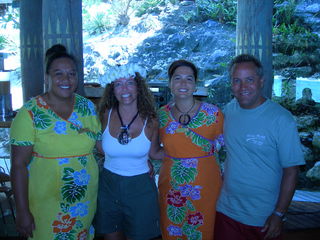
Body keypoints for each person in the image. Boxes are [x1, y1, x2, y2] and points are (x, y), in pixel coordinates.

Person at [10, 44, 101, 239]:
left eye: (71, 73)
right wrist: (22, 211)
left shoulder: (87, 107)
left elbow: (101, 145)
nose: (66, 79)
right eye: (58, 73)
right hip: (45, 203)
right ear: (47, 77)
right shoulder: (30, 113)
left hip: (83, 202)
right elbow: (18, 165)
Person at [214, 54, 305, 240]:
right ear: (231, 84)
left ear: (261, 81)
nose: (243, 87)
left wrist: (279, 214)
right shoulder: (228, 111)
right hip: (225, 211)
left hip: (263, 217)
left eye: (249, 80)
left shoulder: (281, 119)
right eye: (236, 80)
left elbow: (292, 171)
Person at [94, 64, 163, 240]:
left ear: (138, 87)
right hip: (108, 185)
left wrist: (190, 152)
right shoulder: (104, 114)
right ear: (112, 90)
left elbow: (155, 153)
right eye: (118, 84)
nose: (124, 89)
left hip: (140, 187)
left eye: (130, 83)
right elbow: (100, 147)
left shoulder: (151, 120)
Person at [158, 60, 224, 239]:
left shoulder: (214, 114)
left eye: (189, 79)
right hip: (171, 188)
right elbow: (154, 150)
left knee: (203, 231)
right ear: (170, 83)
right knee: (173, 230)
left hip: (205, 188)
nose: (183, 83)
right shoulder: (161, 115)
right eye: (177, 78)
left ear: (195, 84)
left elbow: (226, 147)